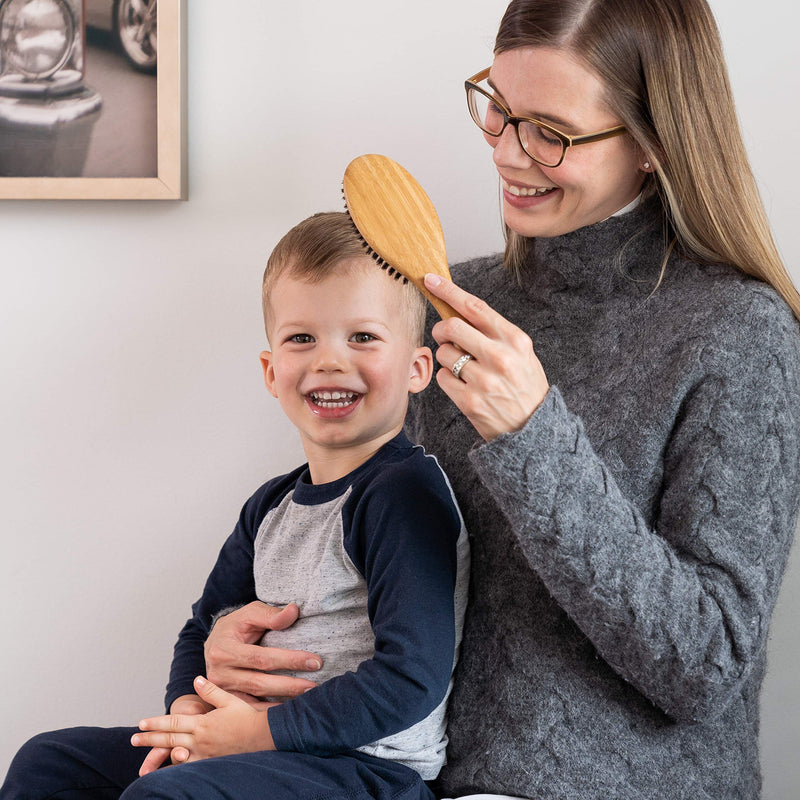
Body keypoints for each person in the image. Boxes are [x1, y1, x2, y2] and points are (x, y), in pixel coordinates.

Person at [192, 2, 800, 799]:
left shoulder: (740, 332)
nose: (508, 153)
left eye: (551, 131)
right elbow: (360, 556)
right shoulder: (451, 301)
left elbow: (706, 667)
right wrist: (234, 639)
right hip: (394, 773)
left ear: (653, 147)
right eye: (499, 110)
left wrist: (534, 435)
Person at [1, 211, 469, 800]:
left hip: (362, 770)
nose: (329, 360)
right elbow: (203, 626)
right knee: (49, 762)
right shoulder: (271, 505)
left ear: (417, 369)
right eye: (303, 337)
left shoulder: (402, 493)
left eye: (363, 337)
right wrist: (189, 715)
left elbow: (410, 678)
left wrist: (256, 733)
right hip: (252, 749)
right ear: (272, 371)